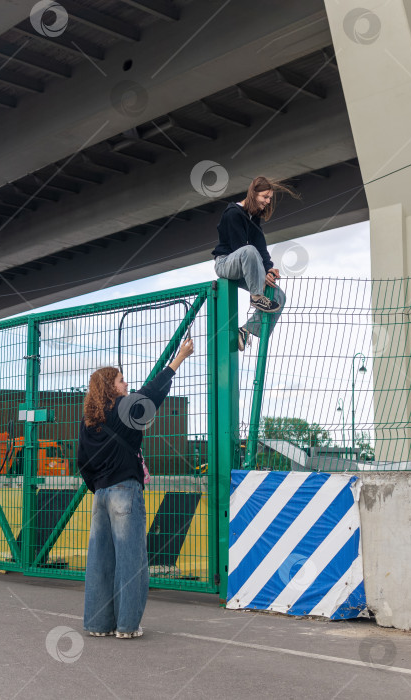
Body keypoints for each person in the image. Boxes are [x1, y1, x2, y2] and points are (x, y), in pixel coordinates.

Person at [77, 339, 194, 639]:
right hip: (125, 491)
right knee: (131, 560)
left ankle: (97, 624)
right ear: (109, 386)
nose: (126, 383)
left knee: (100, 561)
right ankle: (127, 626)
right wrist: (179, 357)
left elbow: (82, 462)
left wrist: (98, 486)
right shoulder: (124, 408)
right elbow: (152, 393)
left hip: (101, 495)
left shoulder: (89, 420)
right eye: (120, 379)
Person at [212, 176, 297, 350]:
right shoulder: (233, 213)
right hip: (226, 264)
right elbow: (241, 249)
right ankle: (256, 297)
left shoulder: (253, 217)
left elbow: (260, 245)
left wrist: (268, 269)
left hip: (246, 266)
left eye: (269, 198)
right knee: (249, 250)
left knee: (278, 296)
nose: (267, 201)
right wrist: (260, 275)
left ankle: (245, 330)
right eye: (265, 197)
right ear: (253, 193)